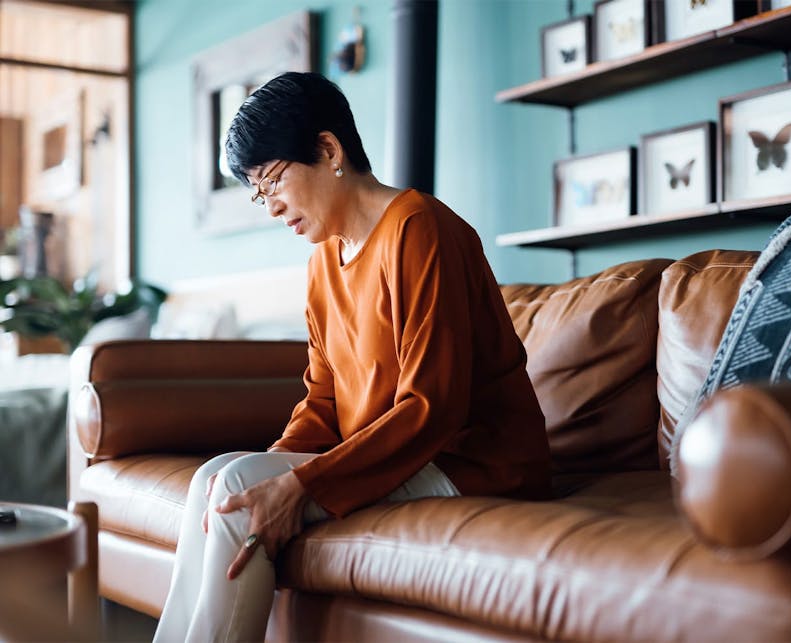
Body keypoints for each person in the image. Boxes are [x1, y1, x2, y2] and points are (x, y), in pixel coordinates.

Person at [153, 71, 550, 642]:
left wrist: (301, 486)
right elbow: (322, 399)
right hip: (396, 458)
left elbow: (432, 407)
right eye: (257, 193)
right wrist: (275, 471)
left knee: (238, 485)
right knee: (217, 481)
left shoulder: (420, 228)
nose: (269, 207)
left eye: (272, 182)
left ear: (328, 149)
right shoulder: (322, 262)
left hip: (474, 464)